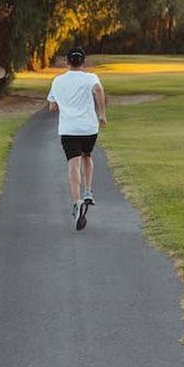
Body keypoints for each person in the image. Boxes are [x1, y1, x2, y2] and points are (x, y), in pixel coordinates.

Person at [47, 46, 107, 229]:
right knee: (87, 156)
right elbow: (98, 90)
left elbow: (52, 107)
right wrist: (102, 113)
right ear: (84, 61)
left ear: (67, 62)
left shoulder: (58, 81)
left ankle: (77, 202)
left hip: (69, 129)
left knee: (73, 164)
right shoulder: (91, 78)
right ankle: (88, 191)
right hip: (89, 128)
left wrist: (60, 104)